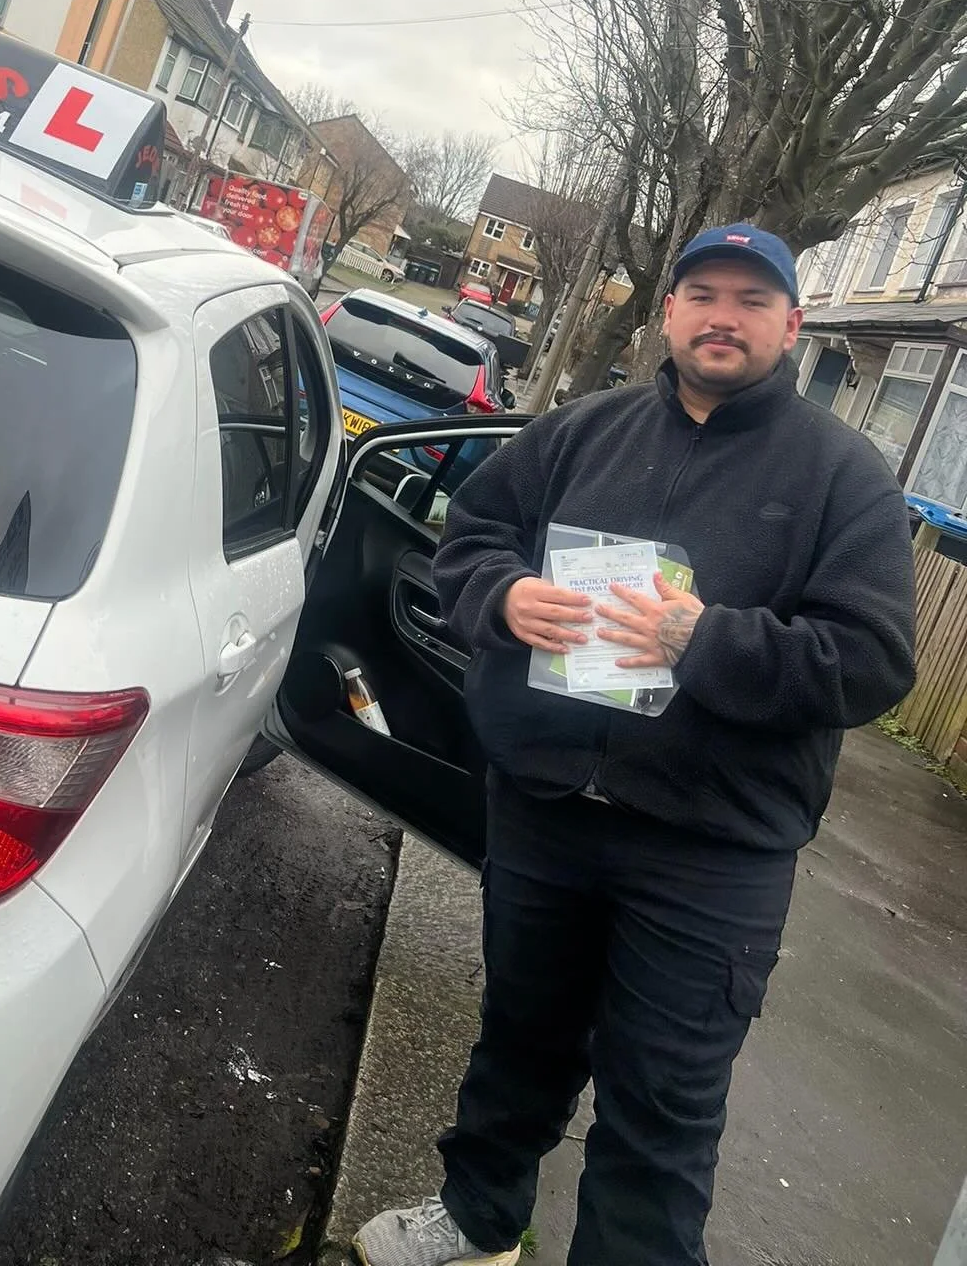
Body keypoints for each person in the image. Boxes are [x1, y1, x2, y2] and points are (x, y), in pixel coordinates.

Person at [353, 223, 916, 1266]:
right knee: (519, 1038)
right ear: (668, 312)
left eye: (752, 300)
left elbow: (872, 661)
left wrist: (708, 642)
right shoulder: (582, 430)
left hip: (712, 849)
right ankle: (479, 1218)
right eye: (703, 294)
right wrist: (502, 596)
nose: (722, 317)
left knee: (660, 1107)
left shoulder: (846, 477)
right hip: (547, 812)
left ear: (793, 325)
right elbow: (473, 533)